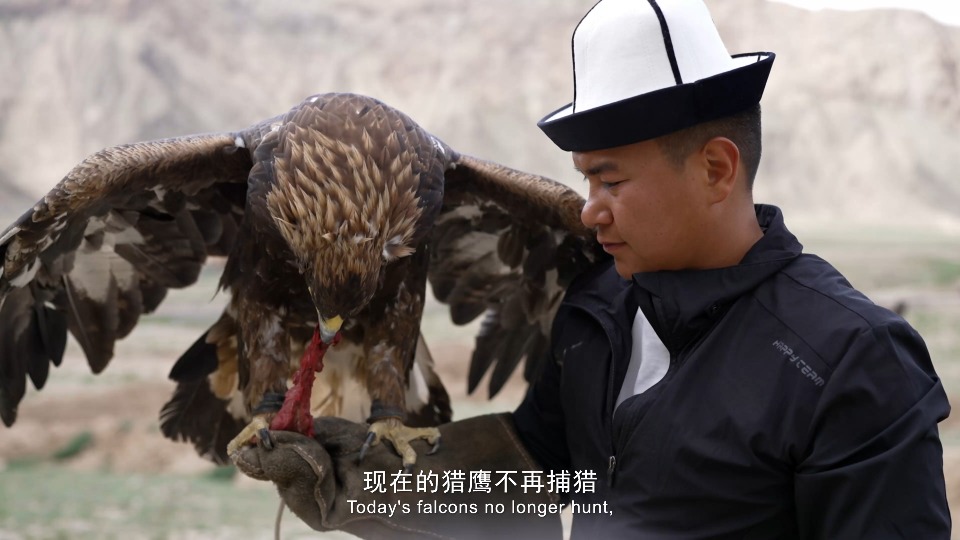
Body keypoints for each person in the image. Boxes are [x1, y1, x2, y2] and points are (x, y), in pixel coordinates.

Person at [233, 0, 952, 537]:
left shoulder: (851, 360)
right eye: (584, 184)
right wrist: (363, 484)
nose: (588, 212)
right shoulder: (599, 311)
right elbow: (530, 478)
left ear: (715, 169)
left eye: (610, 183)